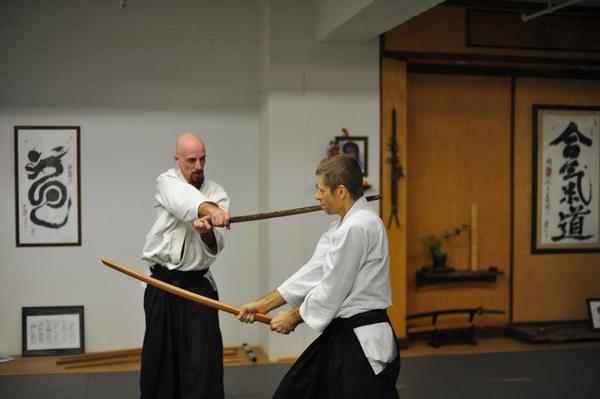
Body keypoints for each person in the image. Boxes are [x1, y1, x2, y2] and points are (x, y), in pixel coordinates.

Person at [237, 155, 399, 399]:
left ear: (341, 191)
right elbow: (314, 272)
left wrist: (293, 317)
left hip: (359, 341)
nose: (317, 196)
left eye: (321, 189)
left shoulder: (357, 228)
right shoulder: (343, 227)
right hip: (343, 336)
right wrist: (264, 304)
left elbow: (332, 289)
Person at [140, 132, 230, 399]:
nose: (199, 166)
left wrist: (206, 231)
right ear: (177, 159)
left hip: (198, 287)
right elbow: (183, 202)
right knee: (161, 362)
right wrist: (210, 211)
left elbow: (217, 245)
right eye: (191, 160)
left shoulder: (217, 193)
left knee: (202, 363)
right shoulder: (166, 182)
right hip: (161, 283)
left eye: (203, 159)